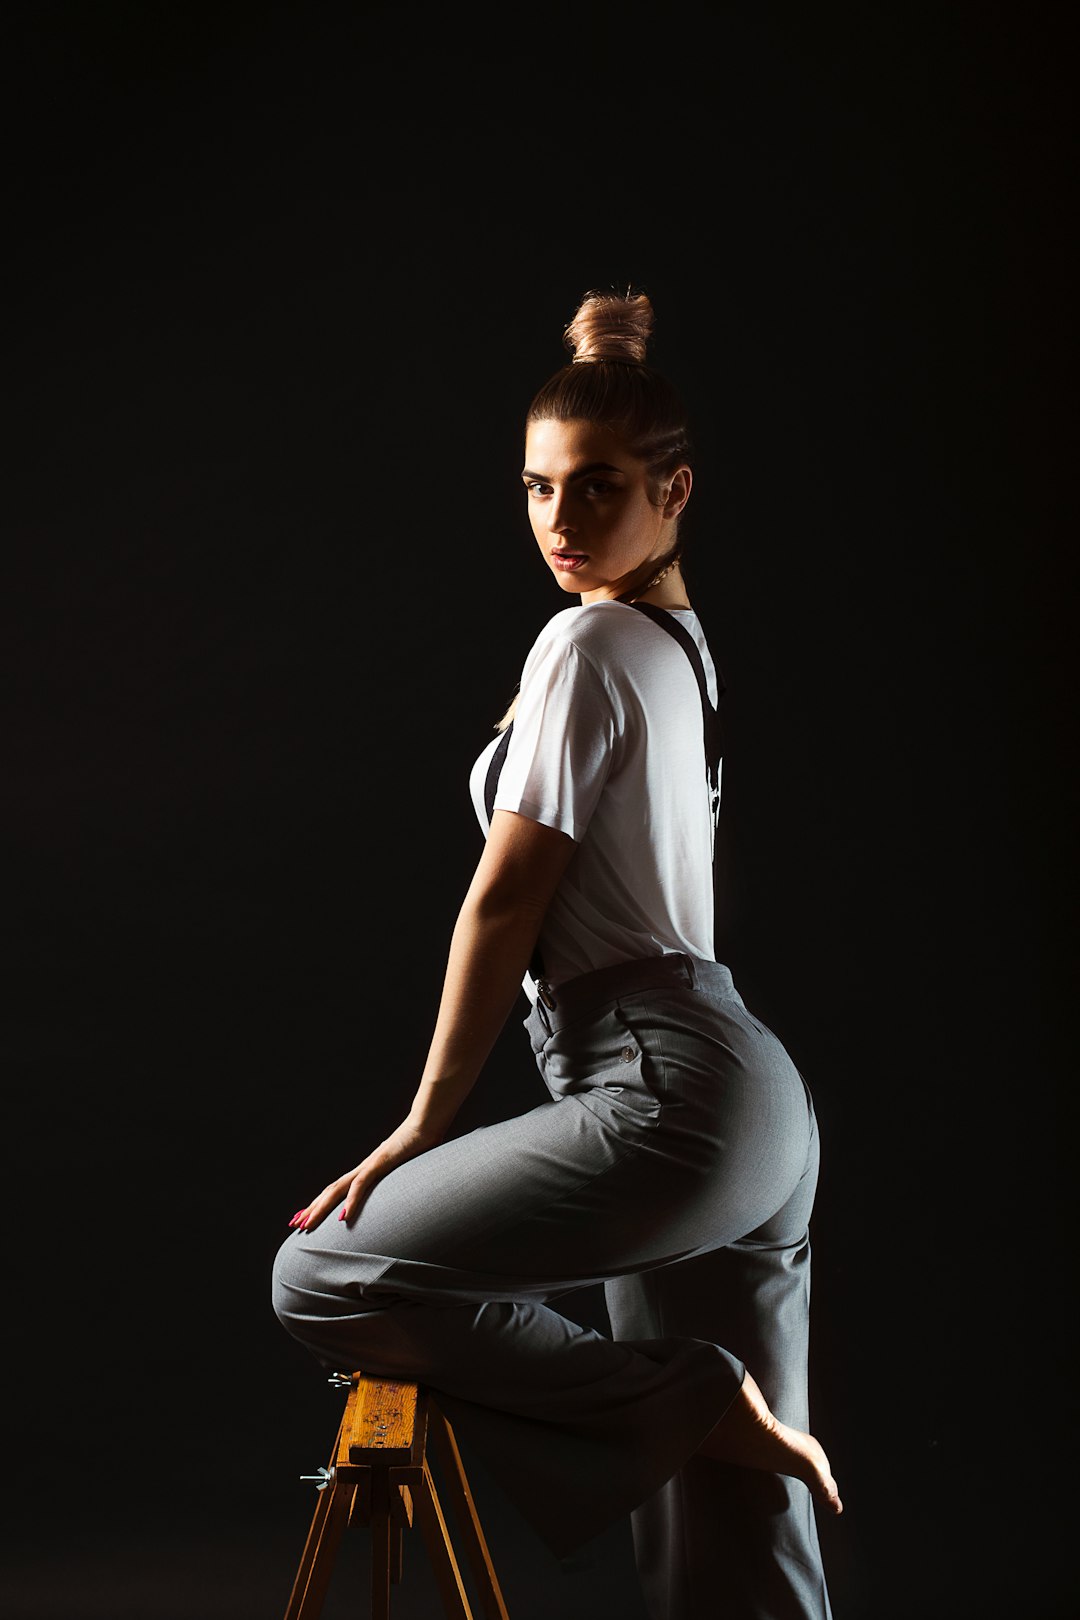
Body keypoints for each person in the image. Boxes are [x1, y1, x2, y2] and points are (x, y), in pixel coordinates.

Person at [272, 288, 840, 1619]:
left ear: (675, 491)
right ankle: (701, 1415)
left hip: (664, 1091)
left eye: (594, 492)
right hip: (756, 1105)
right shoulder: (677, 647)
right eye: (537, 491)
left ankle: (691, 1401)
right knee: (734, 1540)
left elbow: (502, 902)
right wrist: (604, 363)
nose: (558, 524)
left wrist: (422, 1122)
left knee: (323, 1274)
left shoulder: (586, 640)